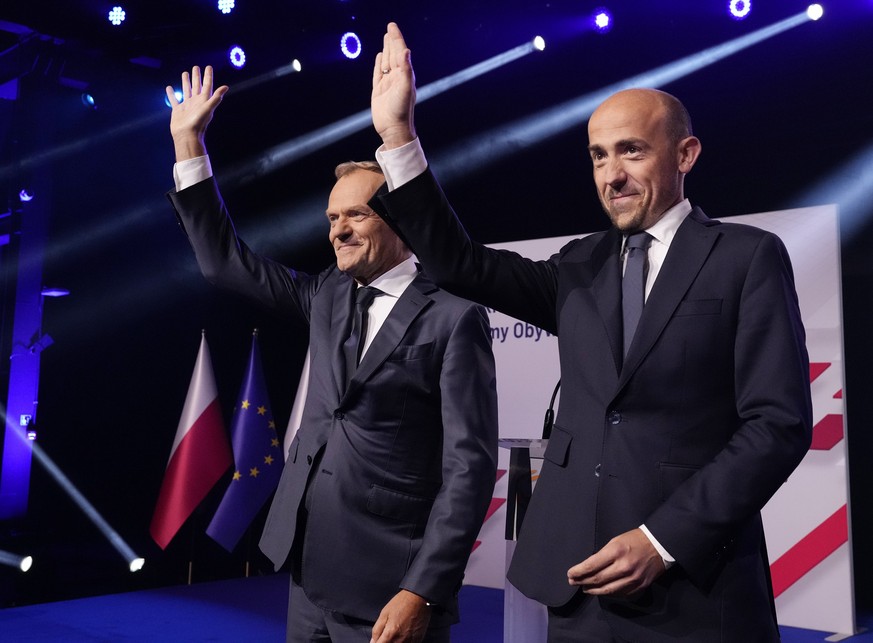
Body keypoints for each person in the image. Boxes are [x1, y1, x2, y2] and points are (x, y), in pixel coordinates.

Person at [369, 23, 812, 642]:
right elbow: (460, 263)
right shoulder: (580, 264)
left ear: (685, 156)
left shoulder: (746, 257)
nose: (612, 175)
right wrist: (398, 139)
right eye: (598, 156)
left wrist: (663, 540)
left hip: (691, 587)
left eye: (631, 150)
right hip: (576, 587)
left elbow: (777, 425)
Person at [165, 65, 499, 643]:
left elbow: (468, 469)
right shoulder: (327, 293)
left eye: (355, 215)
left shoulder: (453, 316)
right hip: (308, 569)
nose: (337, 231)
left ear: (401, 223)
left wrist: (423, 588)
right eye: (331, 218)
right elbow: (224, 263)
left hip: (390, 584)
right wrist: (187, 144)